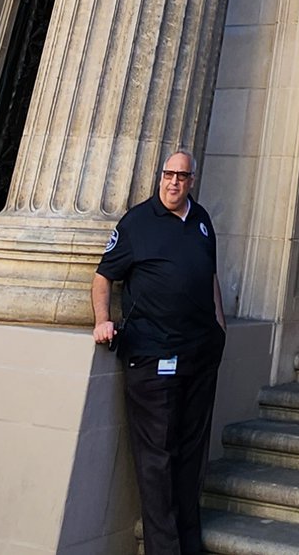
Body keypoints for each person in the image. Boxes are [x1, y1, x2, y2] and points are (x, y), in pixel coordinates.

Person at [92, 149, 225, 555]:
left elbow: (210, 276)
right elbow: (103, 278)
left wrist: (221, 327)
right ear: (160, 177)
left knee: (190, 454)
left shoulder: (201, 220)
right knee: (157, 460)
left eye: (182, 176)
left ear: (192, 181)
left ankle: (189, 542)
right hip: (152, 357)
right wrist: (101, 320)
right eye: (168, 174)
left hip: (200, 355)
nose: (174, 182)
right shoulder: (137, 222)